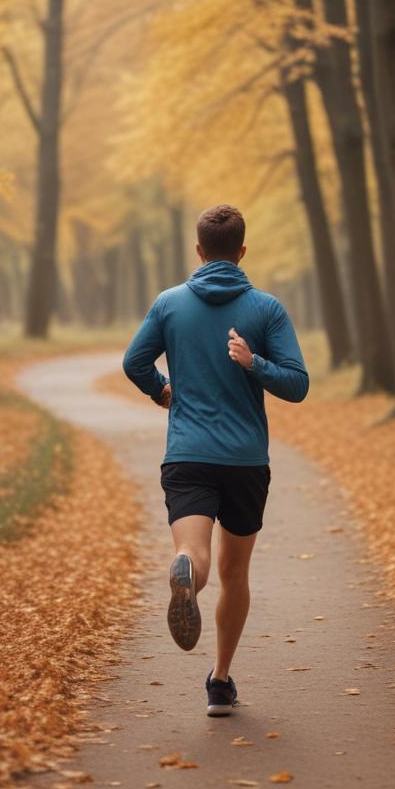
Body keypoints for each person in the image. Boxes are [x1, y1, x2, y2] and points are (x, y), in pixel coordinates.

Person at [122, 204, 309, 717]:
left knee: (195, 552)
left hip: (187, 454)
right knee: (236, 571)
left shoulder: (169, 304)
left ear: (199, 252)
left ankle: (186, 572)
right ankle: (220, 681)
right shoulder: (266, 309)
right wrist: (255, 364)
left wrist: (164, 393)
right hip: (246, 461)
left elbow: (133, 362)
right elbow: (298, 384)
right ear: (242, 252)